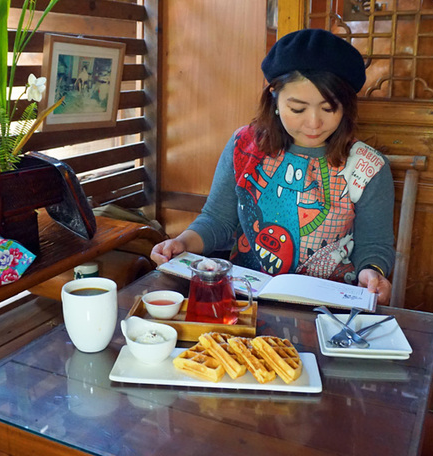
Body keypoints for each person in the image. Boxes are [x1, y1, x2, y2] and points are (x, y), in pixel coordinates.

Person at [150, 29, 395, 305]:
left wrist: (372, 273)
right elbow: (218, 220)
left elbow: (374, 245)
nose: (313, 123)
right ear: (275, 100)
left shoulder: (367, 166)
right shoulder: (244, 145)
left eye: (328, 109)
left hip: (328, 307)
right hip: (244, 298)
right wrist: (181, 243)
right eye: (298, 109)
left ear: (346, 107)